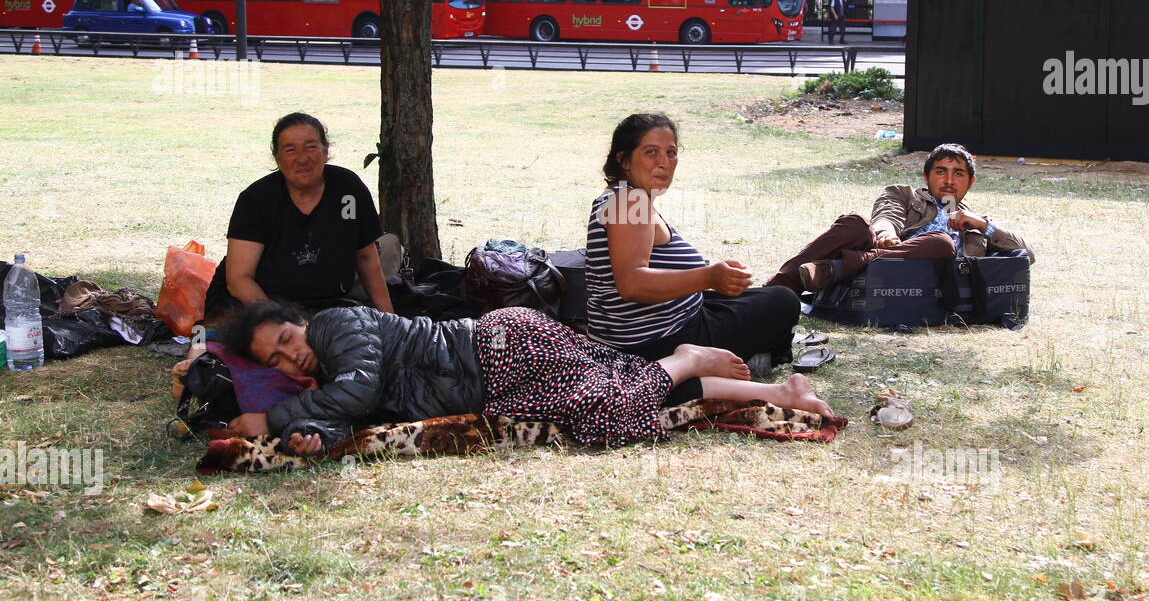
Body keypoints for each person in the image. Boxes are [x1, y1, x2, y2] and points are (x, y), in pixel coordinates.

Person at [211, 300, 831, 454]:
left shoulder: (335, 326)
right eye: (277, 363)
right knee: (625, 398)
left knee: (604, 412)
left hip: (499, 348)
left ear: (298, 322)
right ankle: (778, 391)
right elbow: (346, 413)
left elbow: (363, 393)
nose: (293, 358)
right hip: (497, 378)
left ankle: (689, 357)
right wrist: (307, 432)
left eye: (286, 340)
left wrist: (272, 417)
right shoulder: (325, 381)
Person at [587, 113, 802, 369]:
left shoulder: (620, 196)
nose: (664, 163)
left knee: (758, 297)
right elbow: (632, 284)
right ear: (623, 159)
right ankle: (743, 359)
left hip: (654, 329)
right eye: (651, 152)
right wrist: (708, 277)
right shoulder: (630, 201)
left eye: (671, 153)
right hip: (655, 343)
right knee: (783, 301)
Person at [204, 112, 395, 322]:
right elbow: (239, 280)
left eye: (311, 146)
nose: (302, 158)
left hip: (327, 304)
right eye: (290, 149)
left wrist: (391, 320)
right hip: (258, 305)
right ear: (277, 156)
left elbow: (366, 258)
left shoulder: (348, 188)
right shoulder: (256, 200)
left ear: (326, 150)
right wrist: (285, 323)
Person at [767, 143, 1036, 292]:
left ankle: (835, 268)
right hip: (886, 258)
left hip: (924, 280)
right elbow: (886, 213)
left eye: (958, 174)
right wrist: (886, 233)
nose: (949, 180)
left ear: (971, 181)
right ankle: (774, 288)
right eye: (941, 172)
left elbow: (1028, 255)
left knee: (942, 243)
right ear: (926, 177)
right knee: (854, 223)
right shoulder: (904, 194)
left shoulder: (976, 224)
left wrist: (984, 225)